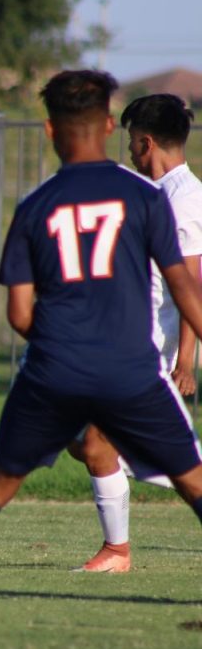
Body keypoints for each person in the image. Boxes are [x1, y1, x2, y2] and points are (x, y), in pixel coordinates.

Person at [0, 70, 202, 625]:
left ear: (48, 130)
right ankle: (117, 547)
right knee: (192, 478)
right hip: (130, 368)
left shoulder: (35, 205)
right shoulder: (144, 196)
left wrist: (62, 347)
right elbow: (184, 286)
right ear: (110, 126)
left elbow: (18, 314)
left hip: (54, 369)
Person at [69, 93, 202, 574]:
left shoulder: (183, 202)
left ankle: (116, 551)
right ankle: (116, 551)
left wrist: (187, 358)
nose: (127, 153)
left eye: (130, 144)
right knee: (81, 437)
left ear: (146, 143)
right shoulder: (158, 196)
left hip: (146, 352)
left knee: (95, 439)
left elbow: (189, 286)